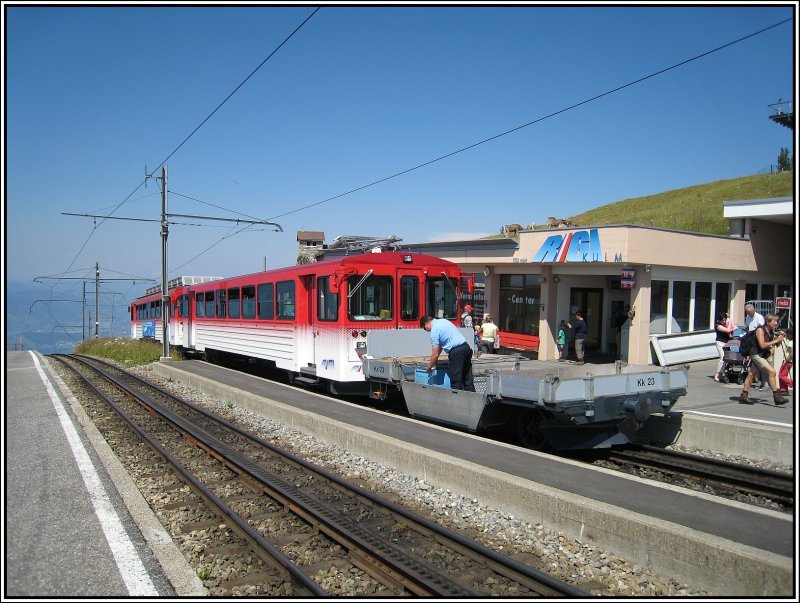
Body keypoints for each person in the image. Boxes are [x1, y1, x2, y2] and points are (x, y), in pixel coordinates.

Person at [739, 313, 788, 406]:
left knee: (751, 375)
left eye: (776, 321)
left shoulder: (771, 331)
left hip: (762, 355)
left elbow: (772, 344)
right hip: (755, 354)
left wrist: (779, 337)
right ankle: (776, 397)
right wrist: (777, 340)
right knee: (772, 372)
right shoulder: (760, 330)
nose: (776, 323)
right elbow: (762, 345)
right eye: (774, 321)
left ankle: (744, 395)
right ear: (768, 322)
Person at [420, 315, 475, 391]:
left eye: (424, 328)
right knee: (467, 379)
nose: (426, 331)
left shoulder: (434, 331)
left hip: (456, 352)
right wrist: (434, 361)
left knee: (456, 380)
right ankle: (472, 400)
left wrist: (429, 366)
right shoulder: (443, 321)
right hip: (466, 348)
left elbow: (435, 353)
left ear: (426, 324)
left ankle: (457, 401)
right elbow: (440, 348)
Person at [744, 304, 767, 389]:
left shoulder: (759, 317)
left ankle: (765, 383)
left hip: (758, 340)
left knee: (760, 362)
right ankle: (757, 379)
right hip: (751, 340)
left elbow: (762, 329)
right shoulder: (748, 317)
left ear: (753, 310)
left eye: (750, 312)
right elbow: (747, 326)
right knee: (754, 362)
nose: (748, 314)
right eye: (747, 312)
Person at [713, 311, 735, 382]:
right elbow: (728, 330)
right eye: (723, 320)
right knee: (722, 358)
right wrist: (729, 320)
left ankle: (723, 373)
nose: (724, 321)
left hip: (727, 342)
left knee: (727, 358)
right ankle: (717, 374)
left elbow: (733, 327)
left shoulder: (725, 323)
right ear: (719, 320)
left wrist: (728, 319)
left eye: (725, 319)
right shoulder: (718, 326)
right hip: (720, 342)